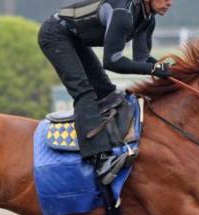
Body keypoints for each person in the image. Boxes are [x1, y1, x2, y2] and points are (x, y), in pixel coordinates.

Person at [38, 0, 173, 185]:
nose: (169, 2)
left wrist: (168, 70)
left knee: (108, 93)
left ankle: (111, 146)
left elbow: (142, 59)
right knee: (85, 93)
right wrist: (153, 69)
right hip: (55, 35)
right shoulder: (123, 14)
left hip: (75, 39)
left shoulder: (148, 18)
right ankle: (98, 158)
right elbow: (112, 62)